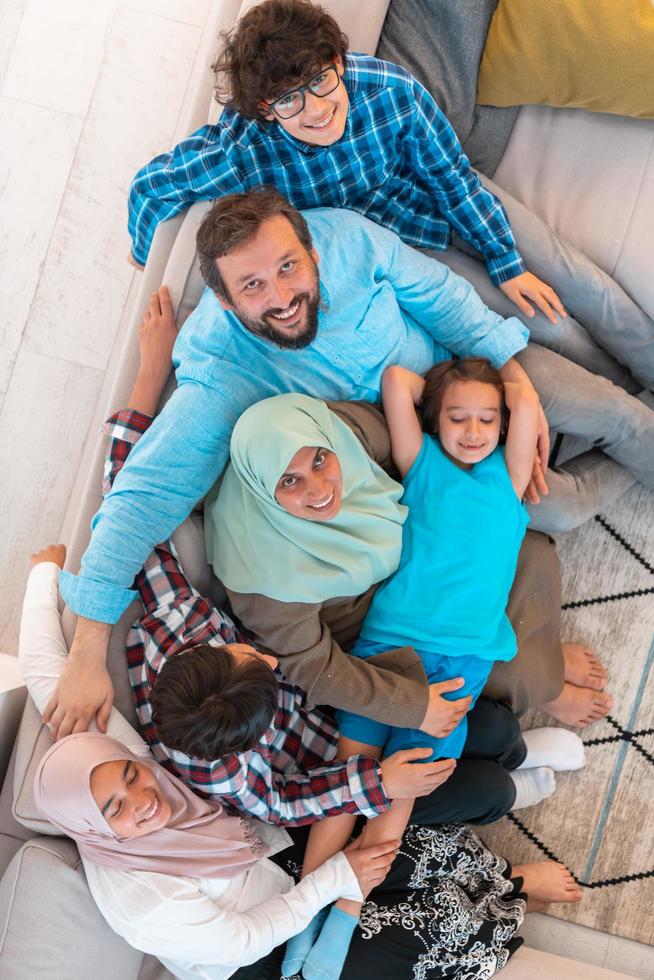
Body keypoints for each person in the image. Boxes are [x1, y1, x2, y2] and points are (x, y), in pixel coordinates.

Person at [53, 189, 640, 740]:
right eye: (252, 286)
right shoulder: (221, 366)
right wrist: (85, 653)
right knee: (559, 508)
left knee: (615, 415)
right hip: (414, 458)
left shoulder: (346, 238)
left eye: (288, 267)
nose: (280, 297)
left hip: (462, 381)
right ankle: (536, 667)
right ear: (226, 302)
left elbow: (439, 295)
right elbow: (142, 497)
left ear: (311, 250)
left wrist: (512, 380)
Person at [22, 546, 584, 980]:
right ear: (95, 828)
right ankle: (512, 891)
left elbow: (51, 680)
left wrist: (43, 578)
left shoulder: (119, 742)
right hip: (261, 951)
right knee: (432, 928)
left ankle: (502, 807)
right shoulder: (146, 900)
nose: (144, 796)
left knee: (423, 841)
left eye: (129, 775)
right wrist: (335, 885)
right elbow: (246, 936)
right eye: (118, 807)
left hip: (279, 855)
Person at [127, 0, 654, 390]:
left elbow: (451, 177)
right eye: (289, 100)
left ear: (338, 62)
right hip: (407, 250)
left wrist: (504, 257)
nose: (315, 108)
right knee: (540, 325)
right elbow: (152, 187)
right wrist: (141, 253)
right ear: (265, 108)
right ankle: (630, 392)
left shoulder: (389, 89)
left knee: (579, 282)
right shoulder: (242, 153)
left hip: (452, 199)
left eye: (321, 81)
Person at [280, 358, 578, 977]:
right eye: (457, 417)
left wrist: (507, 392)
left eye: (486, 419)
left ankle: (342, 918)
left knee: (400, 793)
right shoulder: (423, 467)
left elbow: (521, 404)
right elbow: (394, 378)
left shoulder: (509, 475)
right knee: (348, 782)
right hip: (390, 647)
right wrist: (451, 397)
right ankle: (302, 919)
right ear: (434, 421)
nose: (473, 430)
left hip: (460, 661)